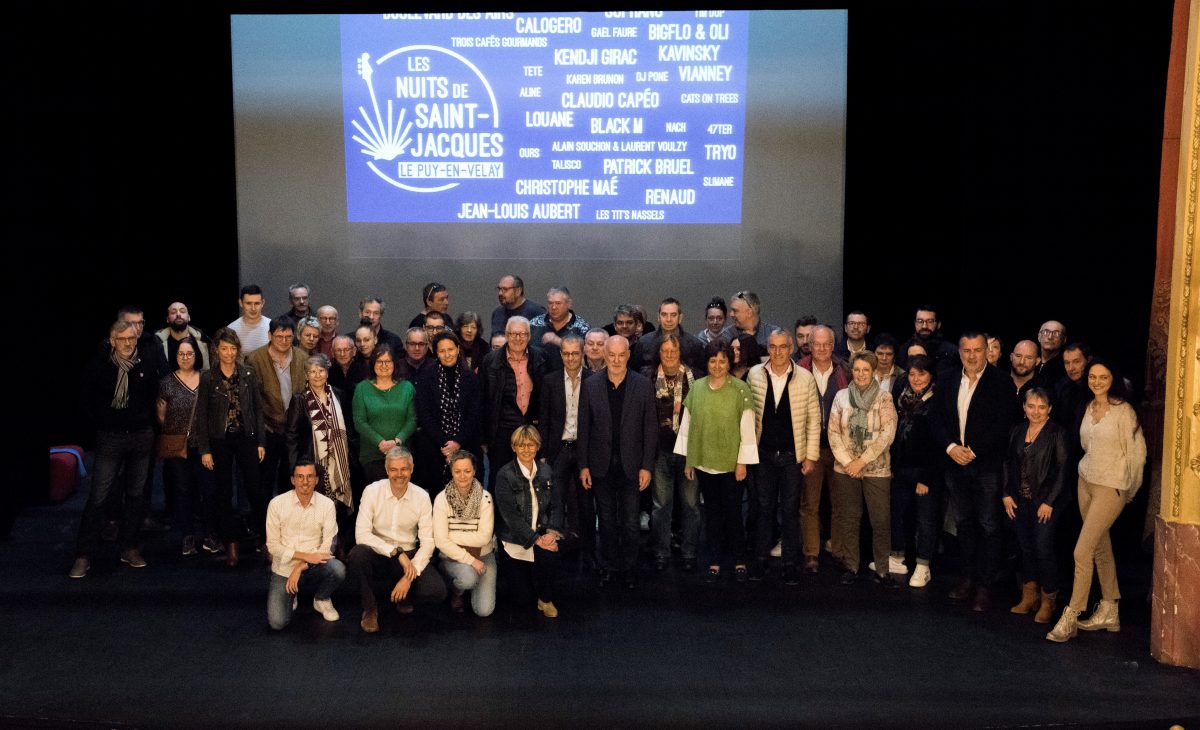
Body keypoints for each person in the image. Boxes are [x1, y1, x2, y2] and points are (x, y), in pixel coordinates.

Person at [1047, 359, 1146, 642]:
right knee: (1101, 548)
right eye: (1093, 377)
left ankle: (1072, 615)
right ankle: (1110, 610)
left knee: (1082, 551)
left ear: (1113, 379)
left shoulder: (1123, 411)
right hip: (1085, 482)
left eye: (1103, 377)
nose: (1097, 382)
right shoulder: (1088, 407)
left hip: (1112, 486)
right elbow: (1086, 447)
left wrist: (1131, 491)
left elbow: (1138, 456)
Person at [931, 332, 1018, 611]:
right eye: (966, 350)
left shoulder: (1001, 381)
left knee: (989, 526)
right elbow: (935, 419)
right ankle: (967, 578)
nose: (972, 355)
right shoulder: (947, 379)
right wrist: (950, 448)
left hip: (986, 466)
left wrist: (974, 450)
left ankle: (984, 586)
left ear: (987, 351)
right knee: (964, 525)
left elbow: (1005, 424)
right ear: (959, 352)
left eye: (977, 350)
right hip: (954, 464)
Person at [70, 320, 159, 579]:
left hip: (141, 437)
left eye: (132, 338)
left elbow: (155, 396)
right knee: (99, 496)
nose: (128, 343)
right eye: (122, 339)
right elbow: (85, 401)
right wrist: (103, 423)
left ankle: (129, 547)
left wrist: (148, 423)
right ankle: (83, 555)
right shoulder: (99, 367)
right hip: (110, 438)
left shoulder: (146, 364)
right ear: (112, 340)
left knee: (135, 495)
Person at [674, 339, 759, 582]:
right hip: (704, 462)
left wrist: (742, 462)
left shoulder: (740, 390)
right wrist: (689, 461)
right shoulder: (698, 388)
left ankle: (740, 559)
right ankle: (714, 560)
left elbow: (747, 429)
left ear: (729, 362)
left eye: (723, 360)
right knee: (712, 514)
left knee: (733, 513)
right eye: (713, 360)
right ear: (707, 362)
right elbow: (688, 428)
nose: (718, 365)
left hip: (732, 465)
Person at [578, 335, 658, 588]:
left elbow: (650, 428)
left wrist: (647, 466)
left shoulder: (643, 385)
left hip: (632, 465)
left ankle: (630, 568)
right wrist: (583, 465)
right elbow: (584, 428)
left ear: (627, 356)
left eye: (620, 355)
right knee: (608, 520)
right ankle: (610, 567)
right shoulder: (590, 385)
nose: (615, 359)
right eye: (610, 354)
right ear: (604, 354)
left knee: (631, 521)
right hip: (600, 464)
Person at [747, 328, 820, 584]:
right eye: (772, 346)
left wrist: (810, 456)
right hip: (763, 455)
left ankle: (790, 563)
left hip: (792, 456)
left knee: (790, 510)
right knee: (763, 508)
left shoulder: (805, 378)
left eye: (782, 347)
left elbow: (813, 420)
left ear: (791, 349)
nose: (777, 352)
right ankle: (761, 560)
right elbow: (748, 417)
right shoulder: (755, 374)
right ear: (767, 348)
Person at [348, 447, 448, 633]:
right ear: (387, 471)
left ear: (412, 469)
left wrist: (409, 577)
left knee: (436, 590)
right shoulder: (372, 491)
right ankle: (370, 608)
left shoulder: (422, 496)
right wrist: (395, 552)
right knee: (357, 553)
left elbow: (428, 542)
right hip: (378, 552)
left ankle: (403, 595)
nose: (399, 474)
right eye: (394, 469)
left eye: (404, 469)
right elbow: (362, 534)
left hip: (408, 557)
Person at [195, 327, 266, 567]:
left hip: (246, 437)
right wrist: (204, 449)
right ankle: (231, 544)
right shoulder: (208, 377)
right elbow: (201, 416)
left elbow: (257, 410)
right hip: (219, 440)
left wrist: (260, 442)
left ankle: (265, 541)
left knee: (254, 490)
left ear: (238, 350)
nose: (228, 353)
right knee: (224, 493)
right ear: (217, 350)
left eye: (232, 349)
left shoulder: (248, 373)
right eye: (224, 348)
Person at [828, 351, 897, 585]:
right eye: (856, 370)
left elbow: (887, 434)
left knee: (880, 520)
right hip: (845, 469)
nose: (860, 374)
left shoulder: (884, 398)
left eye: (865, 370)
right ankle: (851, 566)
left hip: (876, 469)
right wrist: (849, 463)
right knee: (849, 518)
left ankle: (882, 570)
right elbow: (834, 433)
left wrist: (862, 461)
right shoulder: (841, 396)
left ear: (873, 371)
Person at [1003, 388, 1069, 624]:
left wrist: (1049, 502)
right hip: (1020, 500)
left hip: (1046, 503)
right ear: (1024, 408)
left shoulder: (1057, 432)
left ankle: (1048, 599)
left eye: (1042, 407)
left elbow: (1062, 470)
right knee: (1026, 547)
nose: (1036, 411)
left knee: (1043, 548)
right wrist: (1006, 494)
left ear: (1050, 409)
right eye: (1031, 406)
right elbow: (1007, 463)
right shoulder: (1018, 430)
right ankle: (1028, 595)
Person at [642, 333, 700, 572]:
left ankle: (689, 552)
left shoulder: (694, 378)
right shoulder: (647, 378)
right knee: (661, 506)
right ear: (659, 353)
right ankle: (661, 552)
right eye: (665, 352)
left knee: (690, 505)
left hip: (688, 451)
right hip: (660, 451)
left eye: (673, 352)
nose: (669, 356)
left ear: (680, 353)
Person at [285, 354, 355, 551]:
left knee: (338, 505)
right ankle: (321, 546)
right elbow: (292, 436)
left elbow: (349, 428)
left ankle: (338, 545)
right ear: (306, 376)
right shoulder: (300, 399)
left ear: (327, 372)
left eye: (321, 370)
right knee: (319, 507)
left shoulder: (339, 395)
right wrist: (294, 467)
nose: (317, 375)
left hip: (339, 462)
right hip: (314, 462)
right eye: (312, 372)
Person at [265, 461, 345, 630]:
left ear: (316, 480)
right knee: (277, 623)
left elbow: (328, 546)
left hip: (314, 566)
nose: (305, 481)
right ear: (293, 480)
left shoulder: (327, 505)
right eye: (300, 477)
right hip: (284, 568)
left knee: (338, 569)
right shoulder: (277, 504)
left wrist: (302, 566)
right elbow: (273, 546)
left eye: (310, 476)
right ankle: (292, 594)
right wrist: (304, 557)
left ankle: (321, 599)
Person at [796, 325, 850, 573]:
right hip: (811, 448)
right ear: (809, 344)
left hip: (839, 447)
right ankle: (811, 553)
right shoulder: (798, 369)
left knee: (840, 503)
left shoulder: (844, 370)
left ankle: (838, 550)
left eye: (826, 344)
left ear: (833, 344)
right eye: (816, 344)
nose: (821, 348)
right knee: (810, 503)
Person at [538, 333, 595, 564]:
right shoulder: (550, 381)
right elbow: (544, 419)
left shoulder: (593, 380)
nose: (571, 358)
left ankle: (588, 551)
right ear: (561, 355)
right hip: (558, 448)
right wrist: (542, 455)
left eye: (575, 353)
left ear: (582, 354)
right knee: (556, 499)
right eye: (566, 353)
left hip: (585, 450)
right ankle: (559, 552)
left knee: (585, 502)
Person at [494, 426, 562, 617]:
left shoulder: (546, 471)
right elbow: (510, 516)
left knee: (551, 554)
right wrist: (534, 539)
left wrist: (551, 532)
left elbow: (557, 506)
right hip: (515, 539)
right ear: (514, 447)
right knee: (522, 600)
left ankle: (545, 599)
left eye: (531, 445)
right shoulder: (504, 475)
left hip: (542, 534)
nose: (526, 449)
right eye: (521, 445)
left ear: (537, 446)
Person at [888, 355, 940, 587]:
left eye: (922, 373)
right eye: (912, 373)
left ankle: (923, 565)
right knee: (898, 514)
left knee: (925, 520)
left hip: (925, 472)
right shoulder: (900, 397)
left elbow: (938, 442)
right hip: (900, 468)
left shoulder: (938, 401)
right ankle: (898, 557)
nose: (916, 378)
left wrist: (926, 477)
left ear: (931, 376)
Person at [480, 316, 550, 488]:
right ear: (506, 335)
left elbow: (546, 401)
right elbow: (483, 402)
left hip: (532, 430)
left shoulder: (541, 358)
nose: (518, 339)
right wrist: (484, 438)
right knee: (500, 482)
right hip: (501, 432)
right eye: (513, 334)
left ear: (529, 335)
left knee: (531, 483)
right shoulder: (490, 361)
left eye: (522, 334)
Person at [414, 331, 482, 494]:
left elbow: (474, 413)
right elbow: (424, 414)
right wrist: (445, 444)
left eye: (450, 349)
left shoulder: (470, 378)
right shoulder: (426, 376)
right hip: (434, 447)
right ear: (436, 353)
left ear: (458, 349)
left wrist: (457, 442)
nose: (447, 354)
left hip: (466, 444)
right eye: (442, 351)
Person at [246, 317, 307, 496]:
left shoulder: (302, 357)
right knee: (265, 478)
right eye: (279, 336)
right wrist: (261, 425)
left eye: (288, 337)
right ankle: (263, 520)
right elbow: (250, 397)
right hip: (267, 429)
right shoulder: (255, 359)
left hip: (293, 431)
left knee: (289, 478)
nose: (284, 341)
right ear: (270, 335)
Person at [156, 337, 205, 557]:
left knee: (205, 490)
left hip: (204, 445)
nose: (185, 358)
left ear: (197, 355)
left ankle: (208, 533)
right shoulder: (167, 382)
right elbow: (161, 415)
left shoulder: (206, 379)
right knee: (182, 489)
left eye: (189, 353)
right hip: (178, 446)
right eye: (181, 354)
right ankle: (187, 535)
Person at [433, 451, 496, 617]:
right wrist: (471, 560)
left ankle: (469, 584)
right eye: (457, 471)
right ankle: (457, 590)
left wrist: (450, 536)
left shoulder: (485, 498)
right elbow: (440, 542)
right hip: (451, 557)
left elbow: (484, 537)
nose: (462, 476)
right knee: (468, 577)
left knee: (484, 611)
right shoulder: (441, 499)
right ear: (451, 471)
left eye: (467, 471)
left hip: (484, 555)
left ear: (474, 471)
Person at [353, 345, 416, 483]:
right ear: (372, 364)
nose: (384, 365)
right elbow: (359, 421)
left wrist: (397, 441)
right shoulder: (362, 388)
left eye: (388, 361)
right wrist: (380, 442)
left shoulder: (407, 387)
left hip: (401, 455)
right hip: (373, 456)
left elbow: (412, 420)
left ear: (395, 364)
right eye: (379, 361)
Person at [630, 297, 706, 375]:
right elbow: (634, 374)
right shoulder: (644, 343)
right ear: (658, 317)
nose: (668, 319)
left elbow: (703, 376)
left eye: (673, 315)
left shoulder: (694, 345)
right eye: (664, 315)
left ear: (680, 318)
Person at [155, 301, 211, 371]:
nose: (178, 314)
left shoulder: (204, 341)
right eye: (173, 312)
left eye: (182, 311)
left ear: (189, 317)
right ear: (167, 319)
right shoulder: (156, 344)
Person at [227, 284, 270, 354]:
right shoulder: (231, 329)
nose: (253, 308)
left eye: (257, 303)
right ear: (241, 303)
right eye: (248, 303)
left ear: (263, 303)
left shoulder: (272, 326)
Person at [1037, 320, 1068, 385]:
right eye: (1046, 332)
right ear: (1039, 337)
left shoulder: (1066, 367)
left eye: (1056, 333)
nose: (1050, 337)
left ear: (1064, 340)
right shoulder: (1030, 361)